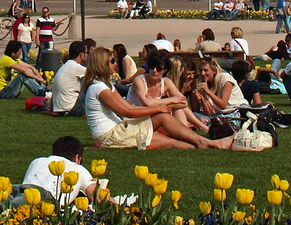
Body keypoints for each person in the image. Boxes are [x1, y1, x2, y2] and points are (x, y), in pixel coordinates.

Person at [80, 47, 231, 150]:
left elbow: (128, 107)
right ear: (102, 64)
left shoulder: (104, 85)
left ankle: (204, 142)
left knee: (164, 120)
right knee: (171, 142)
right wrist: (159, 107)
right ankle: (207, 143)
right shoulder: (99, 88)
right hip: (111, 136)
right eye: (112, 62)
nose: (115, 65)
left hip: (119, 130)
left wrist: (159, 108)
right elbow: (127, 111)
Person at [19, 135, 99, 206]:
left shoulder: (36, 161)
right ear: (76, 158)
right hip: (46, 205)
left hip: (19, 197)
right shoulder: (77, 168)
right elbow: (98, 199)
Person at [49, 41, 88, 116]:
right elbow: (97, 76)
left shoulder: (64, 67)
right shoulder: (76, 68)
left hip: (59, 108)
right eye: (86, 53)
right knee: (91, 82)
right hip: (72, 109)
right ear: (82, 55)